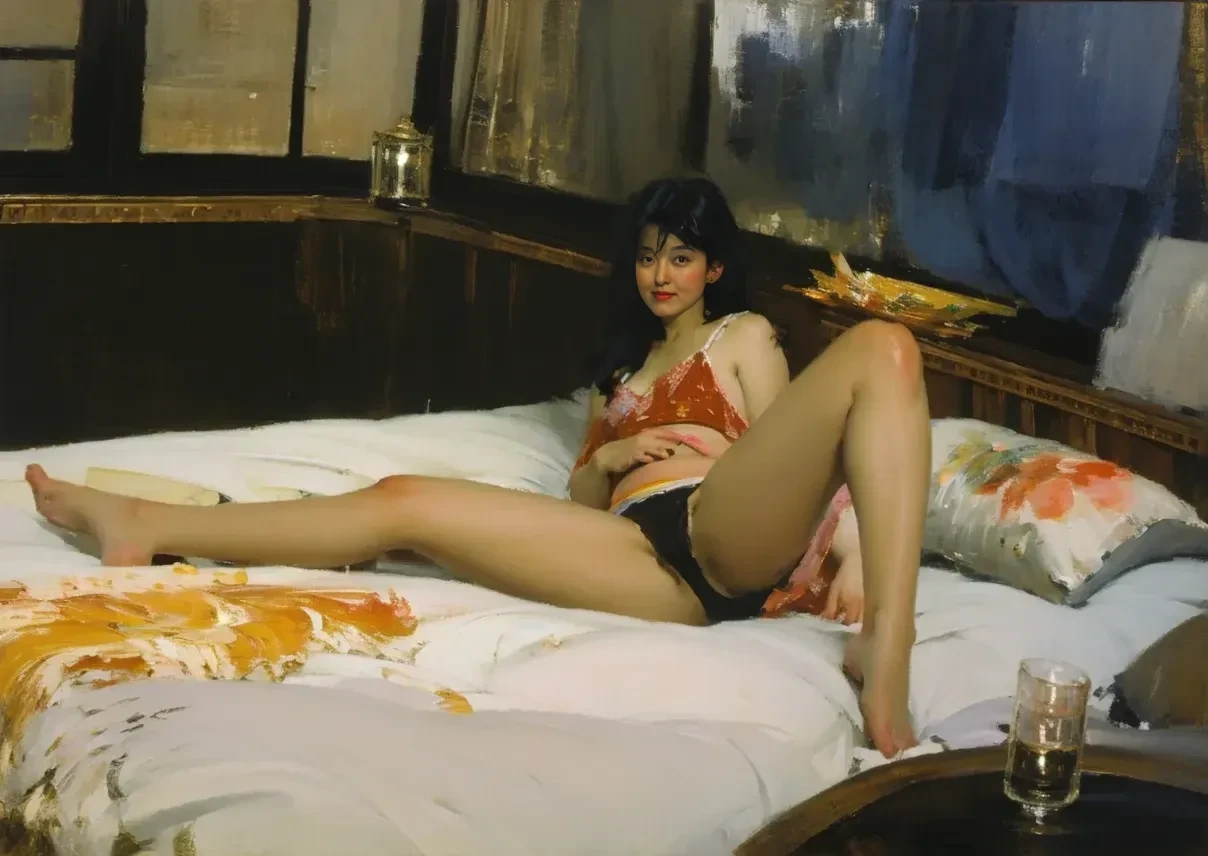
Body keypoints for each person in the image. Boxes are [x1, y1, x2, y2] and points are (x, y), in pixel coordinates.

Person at [24, 177, 930, 757]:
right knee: (402, 503)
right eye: (649, 257)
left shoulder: (744, 338)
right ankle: (145, 523)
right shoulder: (618, 372)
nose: (661, 275)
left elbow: (796, 455)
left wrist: (850, 548)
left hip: (722, 516)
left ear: (714, 269)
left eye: (682, 258)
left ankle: (888, 643)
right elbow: (583, 493)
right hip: (642, 558)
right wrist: (613, 452)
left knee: (884, 350)